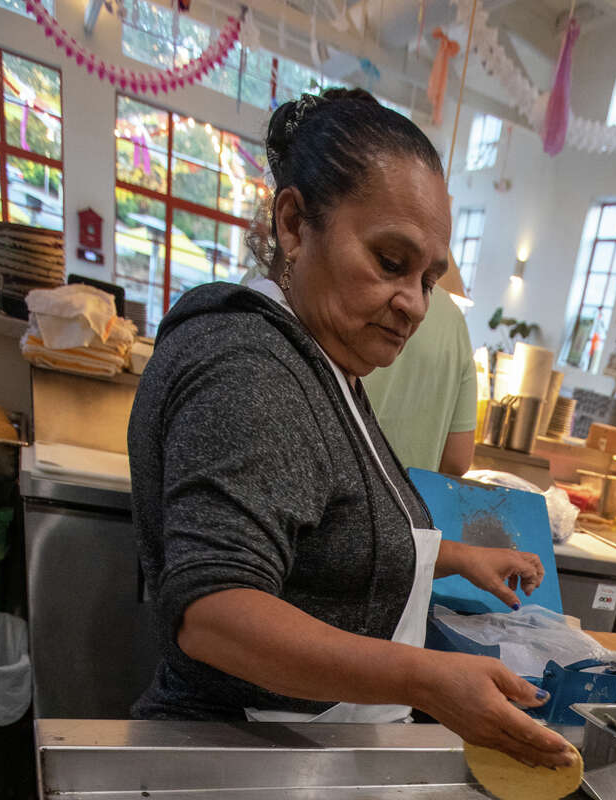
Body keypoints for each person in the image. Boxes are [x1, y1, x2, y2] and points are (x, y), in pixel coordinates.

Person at [127, 88, 574, 769]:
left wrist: (455, 558)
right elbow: (216, 611)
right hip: (248, 754)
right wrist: (422, 677)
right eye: (391, 263)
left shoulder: (321, 359)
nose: (415, 305)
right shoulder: (249, 367)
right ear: (295, 224)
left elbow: (328, 534)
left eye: (429, 278)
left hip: (306, 748)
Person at [362, 258, 477, 475]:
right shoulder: (454, 320)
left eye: (428, 286)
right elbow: (457, 461)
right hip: (411, 502)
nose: (416, 310)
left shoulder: (355, 292)